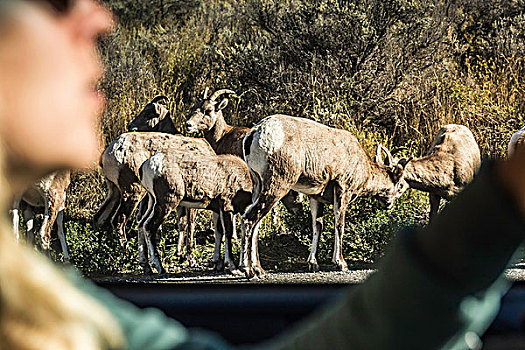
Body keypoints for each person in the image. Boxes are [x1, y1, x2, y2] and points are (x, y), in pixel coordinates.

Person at [0, 0, 524, 349]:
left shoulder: (45, 304)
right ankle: (286, 255)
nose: (101, 18)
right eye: (56, 3)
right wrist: (485, 226)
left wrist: (499, 202)